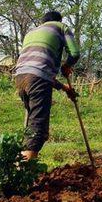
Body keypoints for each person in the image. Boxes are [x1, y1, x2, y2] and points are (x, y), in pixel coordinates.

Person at [14, 10, 80, 160]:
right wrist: (67, 65)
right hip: (37, 78)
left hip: (20, 77)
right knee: (38, 127)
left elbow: (38, 71)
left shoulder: (31, 32)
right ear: (59, 20)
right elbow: (75, 53)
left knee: (31, 124)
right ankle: (23, 172)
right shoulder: (61, 27)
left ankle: (20, 164)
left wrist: (64, 88)